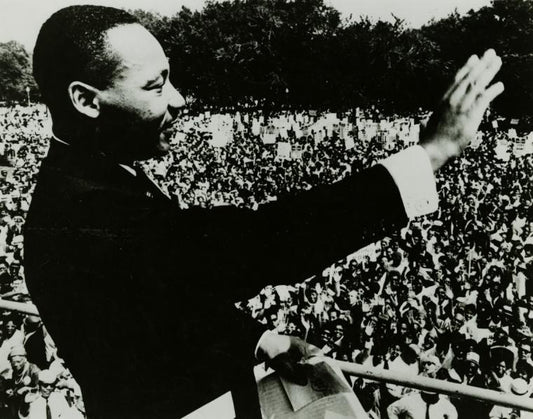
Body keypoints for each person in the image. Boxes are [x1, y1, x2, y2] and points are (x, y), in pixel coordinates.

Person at [23, 5, 504, 419]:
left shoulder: (96, 175)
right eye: (155, 86)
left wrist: (258, 340)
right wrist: (431, 154)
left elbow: (163, 304)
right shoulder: (85, 209)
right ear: (86, 100)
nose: (179, 99)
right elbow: (264, 241)